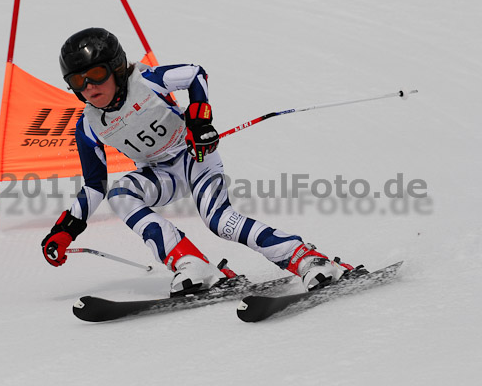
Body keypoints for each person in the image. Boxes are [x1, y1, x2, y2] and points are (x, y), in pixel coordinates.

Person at [41, 27, 364, 296]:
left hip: (195, 157)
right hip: (159, 174)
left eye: (96, 74)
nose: (89, 87)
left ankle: (307, 259)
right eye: (78, 81)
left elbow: (194, 74)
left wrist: (199, 120)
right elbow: (94, 185)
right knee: (120, 194)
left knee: (220, 221)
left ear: (117, 67)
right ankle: (192, 263)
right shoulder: (88, 125)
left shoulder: (147, 81)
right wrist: (67, 229)